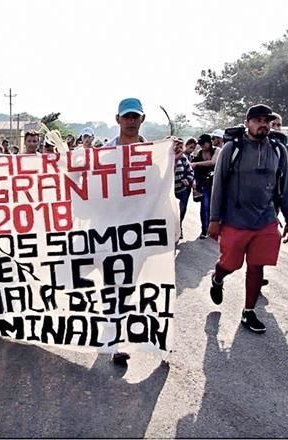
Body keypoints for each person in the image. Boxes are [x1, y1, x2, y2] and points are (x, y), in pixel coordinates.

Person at [104, 97, 182, 365]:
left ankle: (141, 337)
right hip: (110, 231)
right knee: (116, 286)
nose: (130, 121)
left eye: (134, 116)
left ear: (142, 119)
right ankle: (116, 342)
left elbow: (161, 189)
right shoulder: (104, 154)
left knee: (134, 285)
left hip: (140, 232)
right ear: (117, 119)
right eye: (126, 116)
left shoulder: (153, 153)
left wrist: (172, 159)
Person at [208, 104, 288, 334]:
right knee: (231, 264)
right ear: (247, 123)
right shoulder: (232, 148)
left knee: (256, 267)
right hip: (235, 221)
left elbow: (285, 187)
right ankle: (218, 277)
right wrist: (214, 219)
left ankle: (248, 311)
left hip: (266, 220)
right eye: (257, 120)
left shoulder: (278, 150)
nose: (263, 125)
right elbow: (218, 185)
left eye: (266, 121)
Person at [191, 134, 220, 239]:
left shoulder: (217, 150)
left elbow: (213, 162)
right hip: (204, 183)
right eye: (200, 144)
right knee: (205, 206)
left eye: (204, 143)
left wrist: (197, 164)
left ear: (209, 142)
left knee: (216, 207)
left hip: (216, 183)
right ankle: (205, 229)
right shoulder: (199, 153)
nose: (202, 146)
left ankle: (215, 229)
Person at [270, 113, 288, 210]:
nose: (276, 127)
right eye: (273, 124)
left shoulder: (286, 149)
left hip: (276, 196)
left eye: (279, 125)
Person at [175, 141, 195, 239]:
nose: (178, 149)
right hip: (168, 193)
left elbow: (190, 171)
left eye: (180, 147)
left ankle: (179, 229)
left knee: (181, 210)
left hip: (182, 190)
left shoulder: (183, 158)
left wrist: (187, 179)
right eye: (176, 147)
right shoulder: (166, 158)